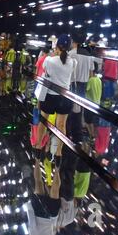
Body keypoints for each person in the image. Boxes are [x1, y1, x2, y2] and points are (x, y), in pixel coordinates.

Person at [34, 34, 76, 169]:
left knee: (43, 122)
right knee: (61, 125)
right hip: (65, 97)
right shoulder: (73, 62)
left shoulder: (49, 61)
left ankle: (39, 146)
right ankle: (58, 153)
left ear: (57, 46)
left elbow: (46, 72)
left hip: (50, 96)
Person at [85, 67, 102, 141]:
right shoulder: (99, 79)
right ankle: (93, 135)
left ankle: (92, 136)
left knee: (88, 121)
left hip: (90, 104)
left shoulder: (91, 80)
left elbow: (86, 89)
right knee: (93, 121)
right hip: (97, 103)